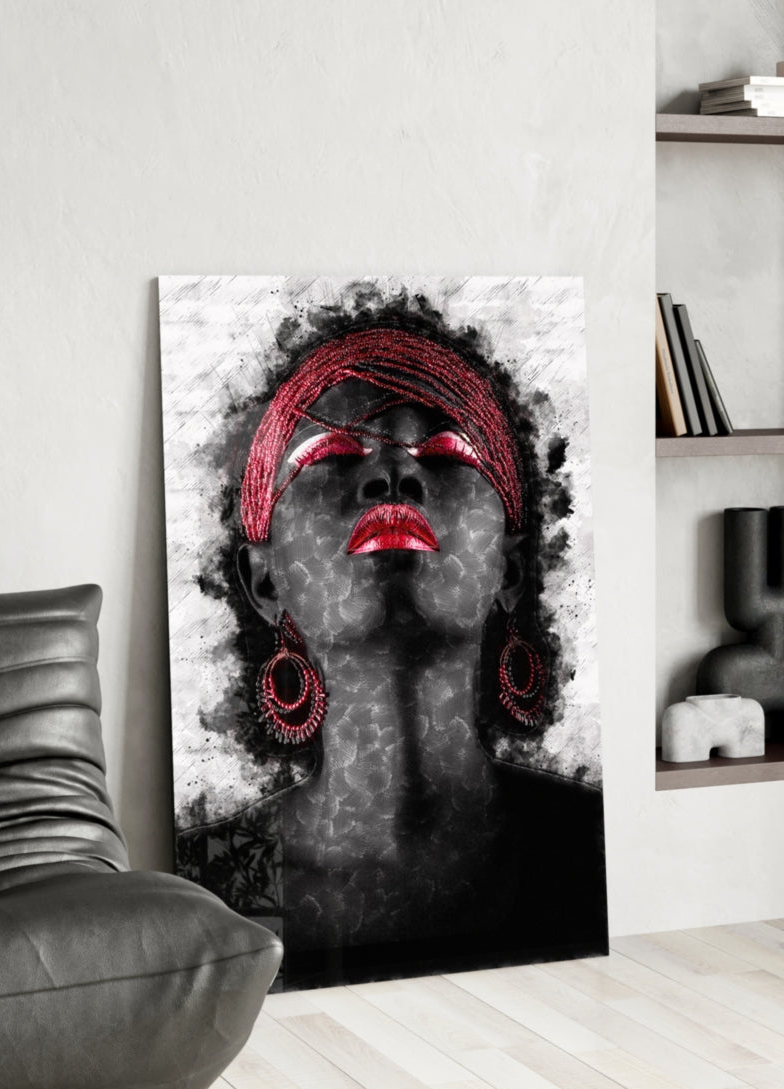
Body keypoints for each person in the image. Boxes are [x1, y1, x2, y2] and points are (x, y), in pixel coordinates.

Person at [178, 320, 605, 987]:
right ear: (265, 581)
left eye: (445, 454)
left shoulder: (590, 845)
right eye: (332, 457)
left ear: (510, 571)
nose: (393, 473)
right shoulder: (217, 877)